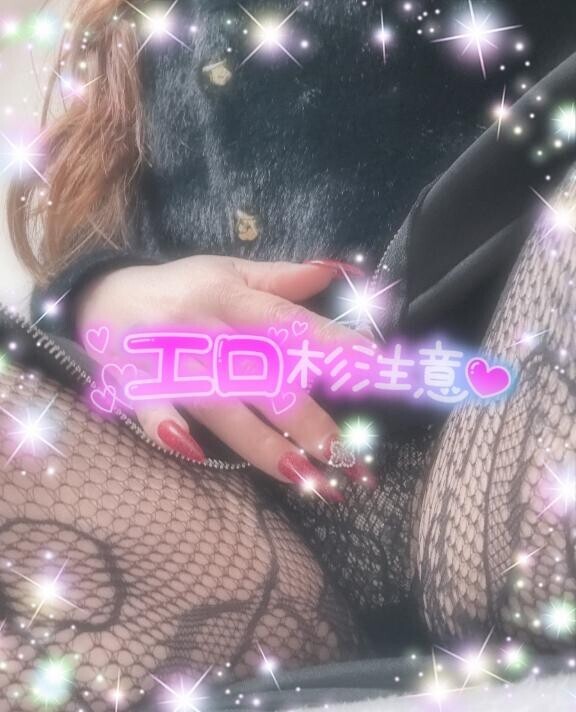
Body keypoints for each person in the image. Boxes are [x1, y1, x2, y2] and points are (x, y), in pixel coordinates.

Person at [1, 1, 576, 710]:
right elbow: (83, 254)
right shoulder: (131, 27)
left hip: (498, 443)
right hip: (247, 539)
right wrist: (101, 296)